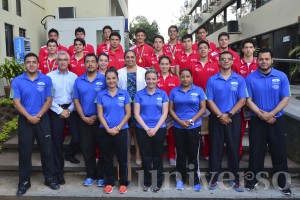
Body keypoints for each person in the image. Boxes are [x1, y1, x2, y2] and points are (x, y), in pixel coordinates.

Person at [10, 53, 60, 196]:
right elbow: (16, 102)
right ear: (24, 64)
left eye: (34, 62)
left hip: (42, 120)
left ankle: (50, 178)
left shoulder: (46, 79)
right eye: (28, 62)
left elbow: (49, 100)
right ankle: (24, 182)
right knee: (25, 152)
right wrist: (29, 117)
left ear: (38, 64)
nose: (31, 64)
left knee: (47, 151)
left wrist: (37, 116)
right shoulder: (17, 80)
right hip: (25, 120)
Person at [245, 48, 291, 195]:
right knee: (255, 152)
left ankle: (283, 184)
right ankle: (252, 181)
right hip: (257, 120)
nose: (263, 62)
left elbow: (286, 98)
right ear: (257, 60)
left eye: (266, 59)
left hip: (276, 120)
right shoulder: (250, 78)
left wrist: (271, 114)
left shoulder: (281, 76)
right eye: (261, 59)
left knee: (279, 152)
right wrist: (261, 114)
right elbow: (247, 100)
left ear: (272, 60)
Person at [206, 51, 247, 192]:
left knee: (233, 148)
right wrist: (220, 115)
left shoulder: (240, 79)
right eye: (223, 59)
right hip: (217, 118)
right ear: (218, 61)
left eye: (228, 59)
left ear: (232, 61)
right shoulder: (212, 80)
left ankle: (235, 178)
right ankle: (213, 177)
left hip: (233, 118)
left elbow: (243, 99)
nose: (225, 61)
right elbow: (209, 100)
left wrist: (229, 114)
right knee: (215, 149)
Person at [169, 68, 206, 192]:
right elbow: (171, 109)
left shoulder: (199, 90)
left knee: (193, 154)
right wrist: (179, 121)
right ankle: (180, 179)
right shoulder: (174, 91)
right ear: (179, 78)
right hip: (178, 127)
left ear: (191, 78)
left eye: (188, 76)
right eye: (183, 77)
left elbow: (203, 109)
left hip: (194, 127)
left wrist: (191, 121)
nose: (185, 79)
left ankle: (195, 180)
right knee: (180, 154)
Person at [47, 51, 80, 185]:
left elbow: (76, 97)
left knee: (77, 137)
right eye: (59, 59)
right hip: (55, 110)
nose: (62, 62)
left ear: (68, 61)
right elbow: (48, 98)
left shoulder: (74, 77)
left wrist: (69, 109)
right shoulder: (49, 77)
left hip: (71, 109)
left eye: (65, 59)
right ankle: (58, 174)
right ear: (56, 62)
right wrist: (60, 111)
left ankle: (69, 154)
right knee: (57, 142)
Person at [73, 53, 106, 187]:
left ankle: (101, 175)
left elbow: (108, 99)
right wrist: (83, 117)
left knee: (103, 149)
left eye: (93, 61)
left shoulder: (104, 79)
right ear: (84, 64)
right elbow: (76, 100)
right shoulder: (78, 81)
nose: (90, 64)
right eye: (88, 62)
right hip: (84, 120)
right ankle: (90, 175)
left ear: (97, 64)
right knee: (87, 149)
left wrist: (97, 116)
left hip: (101, 120)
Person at [97, 67, 131, 194]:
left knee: (122, 158)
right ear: (105, 80)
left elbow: (128, 113)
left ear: (117, 79)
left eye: (113, 78)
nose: (111, 81)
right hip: (105, 130)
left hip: (121, 131)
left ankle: (123, 182)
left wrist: (118, 127)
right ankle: (109, 182)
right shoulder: (101, 94)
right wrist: (108, 128)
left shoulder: (124, 94)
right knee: (107, 158)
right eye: (108, 78)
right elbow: (100, 114)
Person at [134, 68, 169, 192]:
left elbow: (165, 114)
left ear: (157, 79)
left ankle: (158, 181)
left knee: (157, 156)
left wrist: (155, 129)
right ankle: (147, 181)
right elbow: (136, 114)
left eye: (153, 79)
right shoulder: (139, 94)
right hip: (143, 129)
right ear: (145, 79)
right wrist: (147, 128)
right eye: (148, 79)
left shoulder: (163, 94)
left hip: (159, 129)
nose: (151, 81)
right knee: (146, 156)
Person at [118, 50, 146, 173]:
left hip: (139, 104)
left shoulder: (143, 71)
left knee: (138, 130)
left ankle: (139, 153)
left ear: (136, 58)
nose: (130, 59)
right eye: (127, 57)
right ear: (124, 59)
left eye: (132, 57)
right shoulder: (119, 72)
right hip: (125, 105)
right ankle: (128, 152)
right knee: (127, 130)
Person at [192, 40, 219, 161]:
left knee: (210, 128)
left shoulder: (215, 65)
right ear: (197, 51)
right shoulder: (193, 65)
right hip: (196, 100)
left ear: (209, 50)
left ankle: (208, 152)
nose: (203, 50)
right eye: (200, 48)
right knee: (196, 127)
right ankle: (195, 152)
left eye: (205, 48)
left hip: (211, 100)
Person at [232, 38, 258, 159]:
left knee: (256, 132)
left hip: (256, 103)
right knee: (239, 131)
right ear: (242, 49)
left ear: (254, 49)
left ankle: (255, 154)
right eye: (245, 47)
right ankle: (238, 153)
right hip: (240, 103)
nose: (248, 49)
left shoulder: (259, 64)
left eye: (250, 47)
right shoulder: (236, 65)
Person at [156, 56, 180, 166]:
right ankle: (158, 155)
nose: (164, 66)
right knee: (159, 134)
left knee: (171, 135)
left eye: (166, 64)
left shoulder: (175, 78)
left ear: (170, 65)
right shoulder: (155, 77)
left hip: (171, 110)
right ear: (159, 65)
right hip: (157, 111)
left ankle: (172, 156)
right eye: (162, 64)